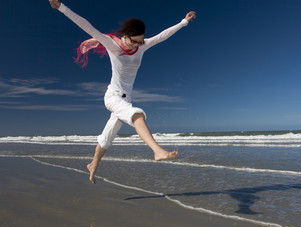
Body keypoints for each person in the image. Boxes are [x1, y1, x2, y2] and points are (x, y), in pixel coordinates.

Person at [49, 0, 196, 184]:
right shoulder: (113, 45)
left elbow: (162, 36)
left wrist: (184, 22)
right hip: (113, 97)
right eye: (136, 41)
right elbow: (86, 25)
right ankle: (157, 151)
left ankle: (93, 165)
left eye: (141, 40)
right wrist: (62, 7)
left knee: (107, 137)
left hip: (125, 100)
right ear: (127, 36)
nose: (139, 45)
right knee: (137, 114)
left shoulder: (141, 46)